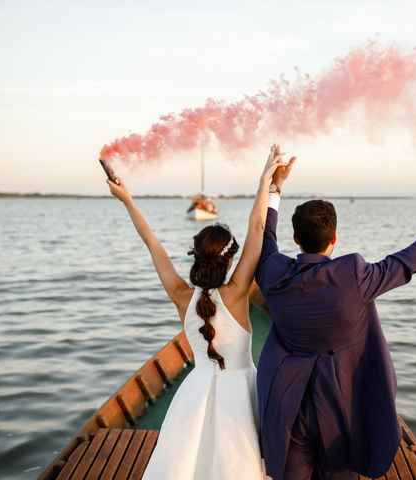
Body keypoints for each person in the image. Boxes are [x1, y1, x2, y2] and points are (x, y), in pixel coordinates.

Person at [254, 154, 416, 480]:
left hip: (287, 407)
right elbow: (408, 261)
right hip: (339, 406)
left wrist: (274, 187)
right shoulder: (353, 276)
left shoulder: (273, 272)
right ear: (335, 238)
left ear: (295, 239)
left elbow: (264, 239)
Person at [106, 145, 291, 480]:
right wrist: (267, 181)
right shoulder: (236, 294)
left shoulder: (181, 296)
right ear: (230, 258)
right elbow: (257, 229)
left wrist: (127, 200)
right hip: (240, 394)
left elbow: (152, 242)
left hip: (195, 390)